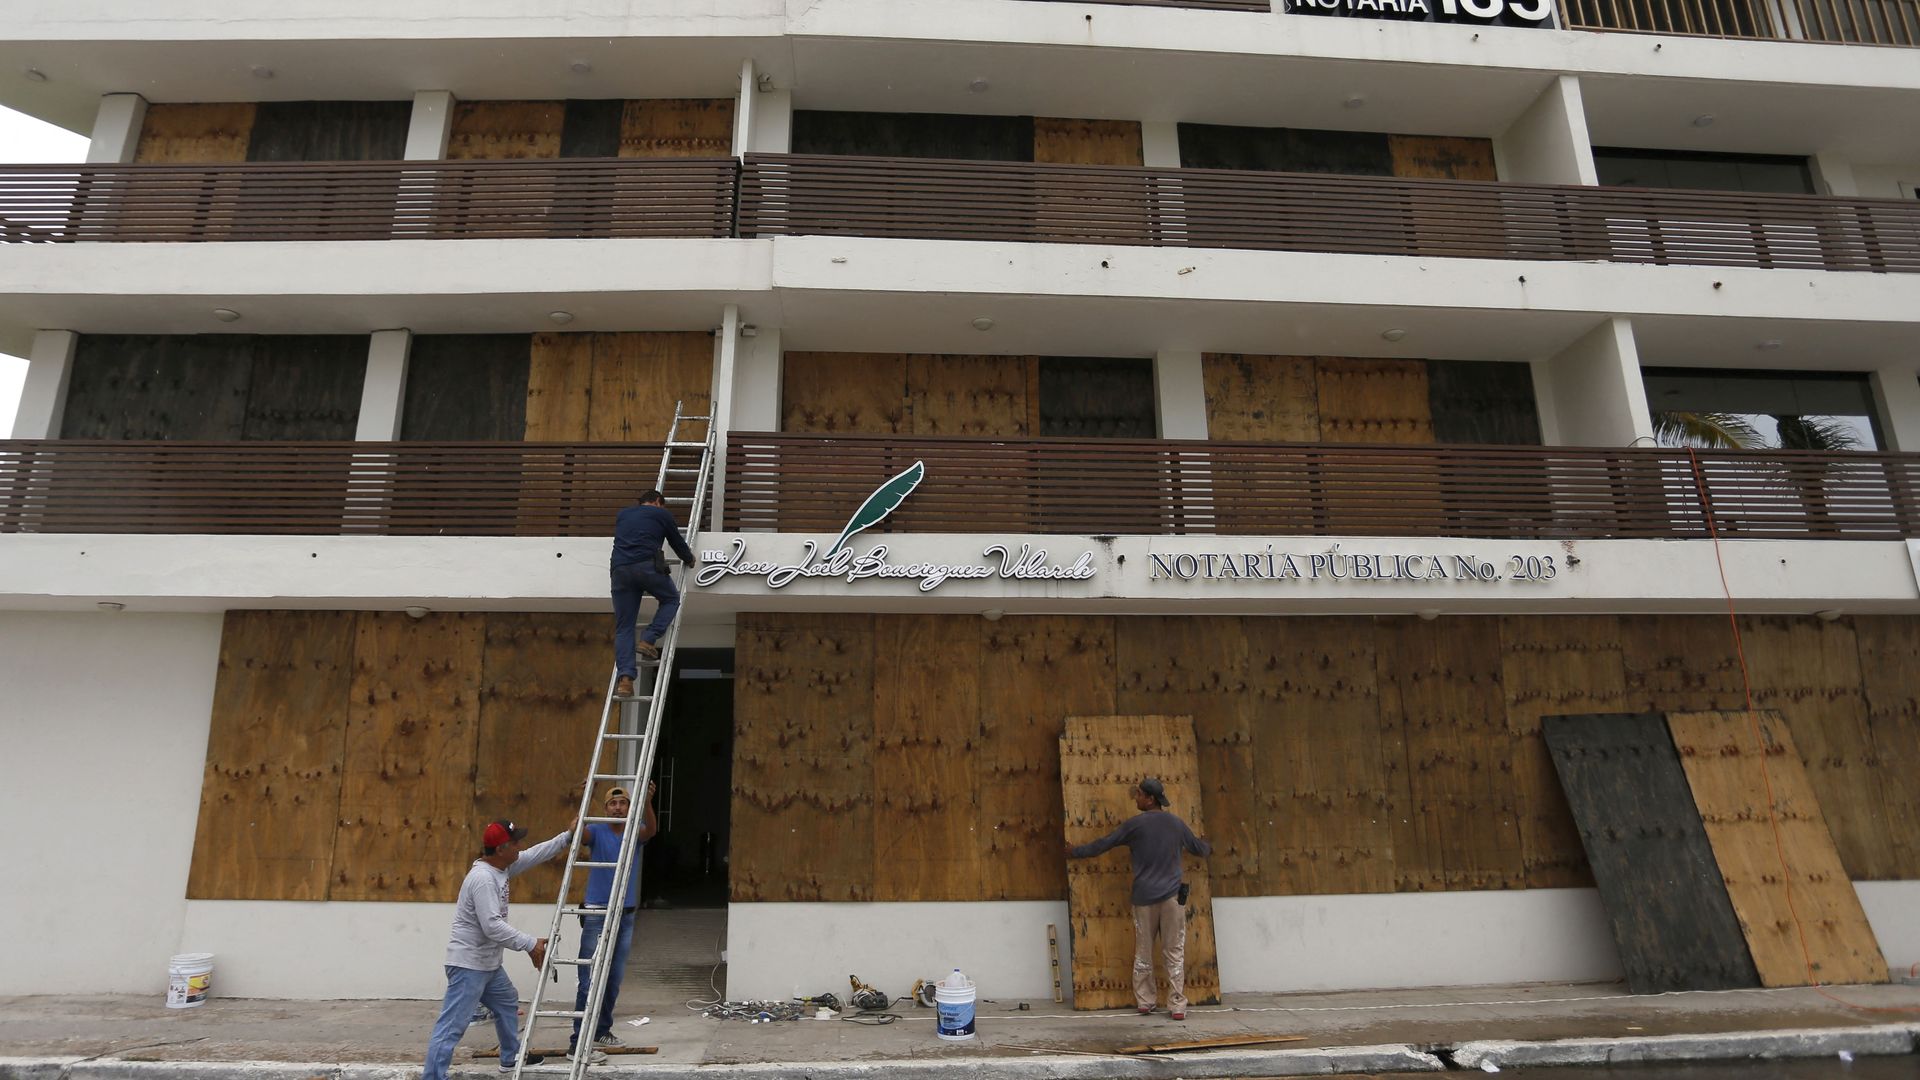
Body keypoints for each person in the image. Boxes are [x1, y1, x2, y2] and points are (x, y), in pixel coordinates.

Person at [421, 817, 574, 1080]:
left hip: (488, 964)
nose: (519, 847)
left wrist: (567, 837)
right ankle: (433, 1077)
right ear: (502, 848)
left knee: (506, 1002)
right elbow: (491, 926)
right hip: (469, 965)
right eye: (515, 843)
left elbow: (534, 854)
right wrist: (530, 944)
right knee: (452, 1027)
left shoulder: (501, 867)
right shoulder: (482, 879)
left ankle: (510, 1058)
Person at [1063, 777, 1211, 1021]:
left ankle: (1146, 1001)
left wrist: (1074, 852)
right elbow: (1198, 848)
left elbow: (1103, 844)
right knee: (1174, 952)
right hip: (1172, 899)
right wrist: (1207, 844)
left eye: (1139, 795)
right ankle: (1177, 1005)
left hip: (1144, 898)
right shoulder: (1176, 824)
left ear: (1149, 799)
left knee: (1143, 952)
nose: (1136, 798)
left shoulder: (1134, 825)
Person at [567, 782, 659, 1061]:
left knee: (614, 978)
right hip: (596, 912)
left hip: (625, 913)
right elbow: (574, 831)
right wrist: (587, 796)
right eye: (613, 804)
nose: (618, 809)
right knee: (589, 978)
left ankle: (601, 1031)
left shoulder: (634, 832)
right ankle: (578, 1038)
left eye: (623, 804)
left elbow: (652, 831)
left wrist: (646, 801)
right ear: (605, 808)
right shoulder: (596, 830)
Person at [611, 489, 696, 698]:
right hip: (646, 567)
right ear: (658, 502)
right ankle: (648, 639)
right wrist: (689, 559)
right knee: (670, 599)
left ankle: (625, 680)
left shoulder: (623, 514)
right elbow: (676, 542)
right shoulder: (662, 514)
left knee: (624, 627)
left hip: (620, 570)